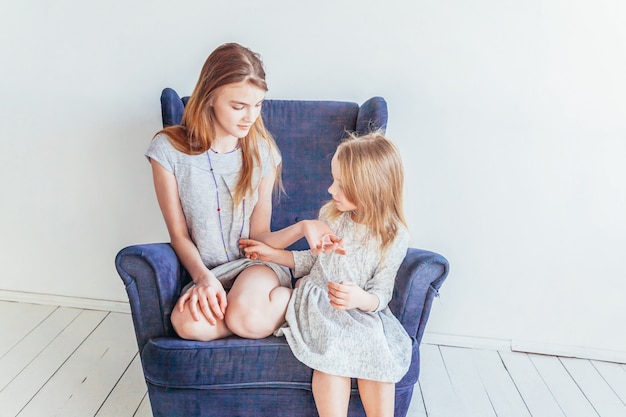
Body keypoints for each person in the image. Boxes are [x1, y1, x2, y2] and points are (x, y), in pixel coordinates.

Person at [145, 42, 341, 342]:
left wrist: (303, 227)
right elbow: (179, 235)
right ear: (210, 97)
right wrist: (203, 278)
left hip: (255, 266)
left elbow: (259, 236)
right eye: (238, 107)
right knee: (188, 325)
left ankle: (296, 296)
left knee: (246, 319)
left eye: (258, 105)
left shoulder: (262, 153)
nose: (250, 117)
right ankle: (256, 315)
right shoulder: (167, 151)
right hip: (208, 272)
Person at [239, 132, 412, 417]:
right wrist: (274, 256)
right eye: (334, 181)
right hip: (319, 302)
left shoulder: (393, 236)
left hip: (362, 310)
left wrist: (360, 299)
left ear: (371, 187)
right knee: (331, 356)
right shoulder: (332, 216)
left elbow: (382, 293)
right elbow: (314, 262)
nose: (331, 190)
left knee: (378, 356)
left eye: (341, 185)